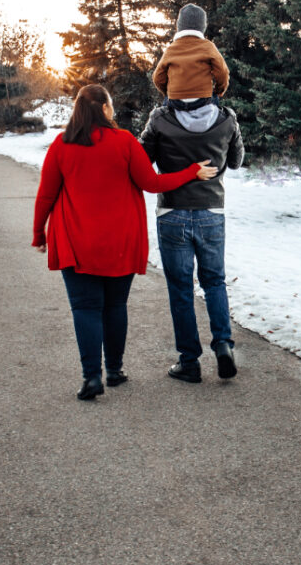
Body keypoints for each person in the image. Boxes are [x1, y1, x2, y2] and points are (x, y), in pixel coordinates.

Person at [32, 84, 217, 401]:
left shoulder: (61, 145)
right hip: (119, 240)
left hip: (76, 241)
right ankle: (114, 371)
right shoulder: (125, 142)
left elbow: (46, 194)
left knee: (86, 308)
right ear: (105, 109)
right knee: (115, 306)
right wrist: (191, 172)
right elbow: (152, 183)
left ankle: (92, 378)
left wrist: (39, 233)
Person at [141, 8, 244, 383]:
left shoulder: (159, 119)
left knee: (181, 289)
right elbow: (235, 161)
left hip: (172, 213)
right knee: (214, 281)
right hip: (211, 211)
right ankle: (223, 345)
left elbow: (143, 158)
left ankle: (189, 361)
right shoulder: (227, 118)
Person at [152, 3, 230, 126]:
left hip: (175, 101)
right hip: (202, 99)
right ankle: (212, 129)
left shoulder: (172, 49)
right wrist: (219, 90)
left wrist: (168, 92)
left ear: (180, 26)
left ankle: (165, 130)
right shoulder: (208, 46)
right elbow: (222, 72)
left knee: (165, 112)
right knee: (216, 105)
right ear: (202, 27)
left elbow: (158, 77)